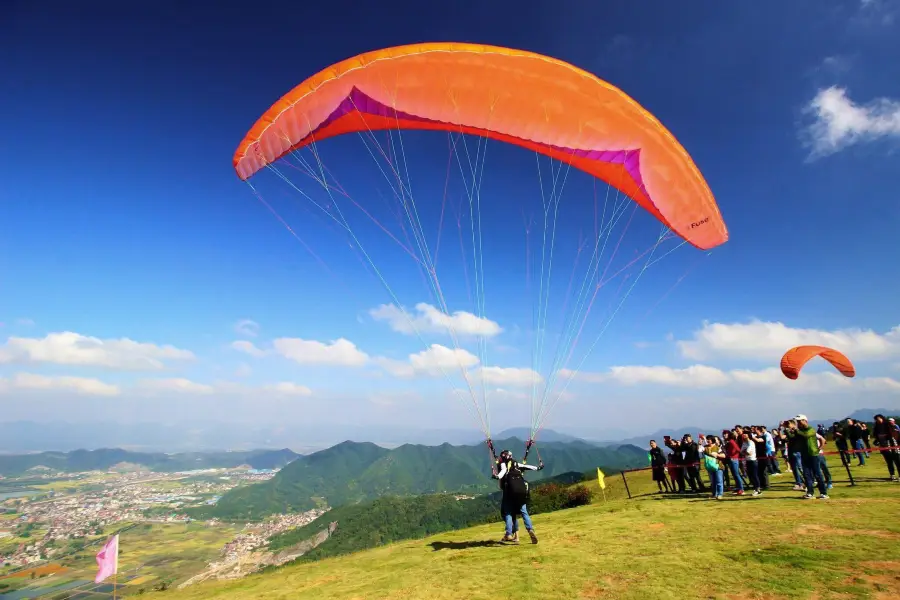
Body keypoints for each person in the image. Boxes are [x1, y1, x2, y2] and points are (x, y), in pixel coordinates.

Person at [494, 449, 543, 544]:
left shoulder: (504, 464)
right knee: (524, 512)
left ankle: (508, 533)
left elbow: (503, 471)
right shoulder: (516, 464)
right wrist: (538, 468)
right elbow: (526, 466)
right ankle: (530, 530)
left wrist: (497, 476)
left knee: (508, 512)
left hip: (511, 492)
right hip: (522, 492)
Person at [788, 415, 828, 500]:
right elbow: (792, 438)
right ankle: (810, 492)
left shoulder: (811, 429)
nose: (798, 423)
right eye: (797, 422)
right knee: (806, 474)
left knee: (817, 474)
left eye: (799, 421)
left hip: (813, 454)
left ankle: (823, 493)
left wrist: (819, 448)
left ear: (805, 420)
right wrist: (789, 430)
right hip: (804, 454)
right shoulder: (799, 431)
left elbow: (805, 436)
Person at [872, 414, 900, 481]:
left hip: (893, 445)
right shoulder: (876, 427)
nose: (878, 420)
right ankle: (892, 475)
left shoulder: (889, 425)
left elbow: (895, 435)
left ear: (882, 418)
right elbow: (876, 436)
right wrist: (877, 441)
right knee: (889, 461)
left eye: (879, 418)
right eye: (877, 419)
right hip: (884, 446)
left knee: (897, 461)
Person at [722, 431, 744, 496]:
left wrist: (735, 455)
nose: (724, 435)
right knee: (734, 474)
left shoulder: (731, 441)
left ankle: (741, 489)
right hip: (731, 459)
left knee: (736, 474)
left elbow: (738, 449)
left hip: (734, 459)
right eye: (723, 434)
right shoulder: (729, 442)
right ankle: (738, 488)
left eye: (725, 434)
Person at [740, 431, 761, 496]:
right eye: (743, 434)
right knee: (750, 476)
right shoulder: (744, 443)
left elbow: (748, 452)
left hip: (753, 460)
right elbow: (741, 451)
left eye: (745, 434)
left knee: (754, 475)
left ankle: (758, 489)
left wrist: (744, 452)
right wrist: (744, 452)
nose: (743, 435)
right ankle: (755, 488)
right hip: (747, 460)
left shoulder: (751, 443)